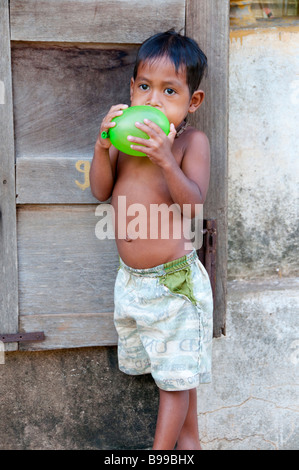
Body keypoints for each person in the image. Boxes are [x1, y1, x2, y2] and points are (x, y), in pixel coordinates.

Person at [90, 30, 213, 450]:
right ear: (131, 89)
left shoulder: (190, 144)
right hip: (133, 283)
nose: (153, 100)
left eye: (169, 91)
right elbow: (99, 190)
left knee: (174, 384)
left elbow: (193, 205)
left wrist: (165, 158)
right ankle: (190, 447)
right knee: (177, 376)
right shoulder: (126, 143)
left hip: (174, 285)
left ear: (191, 102)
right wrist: (102, 146)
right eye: (145, 87)